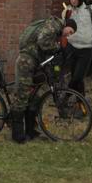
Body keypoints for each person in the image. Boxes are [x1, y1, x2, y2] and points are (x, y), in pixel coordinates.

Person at [13, 16, 77, 144]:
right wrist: (59, 48)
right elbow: (43, 42)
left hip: (34, 60)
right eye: (70, 31)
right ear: (66, 25)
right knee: (23, 95)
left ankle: (31, 130)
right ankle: (17, 134)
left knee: (34, 97)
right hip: (26, 60)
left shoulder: (56, 29)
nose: (69, 35)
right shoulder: (54, 25)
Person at [62, 0, 92, 98]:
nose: (73, 1)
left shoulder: (90, 9)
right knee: (77, 78)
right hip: (72, 47)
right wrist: (66, 17)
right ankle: (81, 105)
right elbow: (63, 27)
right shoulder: (67, 10)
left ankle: (66, 97)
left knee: (77, 77)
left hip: (86, 48)